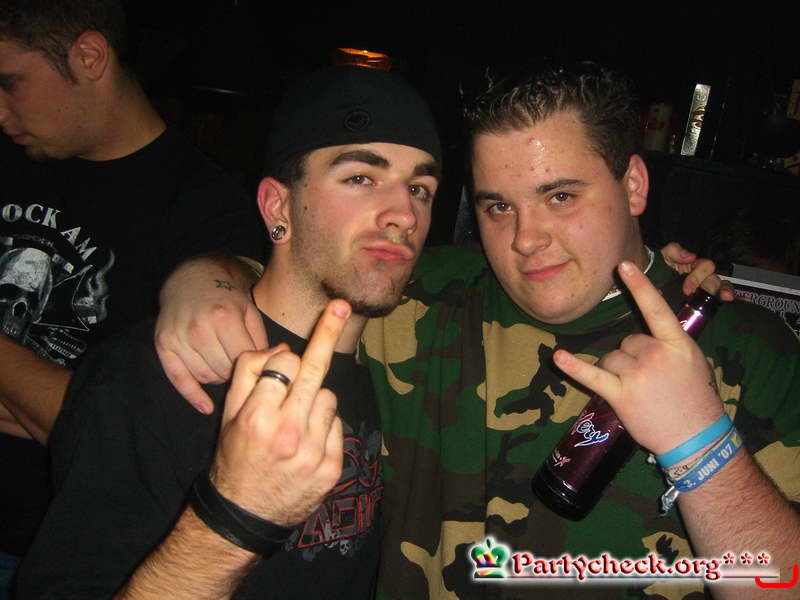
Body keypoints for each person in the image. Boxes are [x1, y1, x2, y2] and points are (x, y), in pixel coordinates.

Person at [153, 61, 799, 599]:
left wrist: (701, 445)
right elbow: (314, 266)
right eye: (497, 206)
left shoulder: (752, 349)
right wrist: (206, 278)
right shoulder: (423, 297)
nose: (525, 239)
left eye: (560, 196)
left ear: (633, 184)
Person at [16, 63, 443, 598]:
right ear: (277, 206)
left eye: (420, 188)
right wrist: (236, 515)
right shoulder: (150, 374)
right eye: (360, 178)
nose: (404, 214)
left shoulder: (395, 372)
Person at [0, 0, 263, 592]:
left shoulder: (206, 213)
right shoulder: (14, 163)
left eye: (10, 82)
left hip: (47, 550)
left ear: (89, 57)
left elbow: (124, 435)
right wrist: (45, 393)